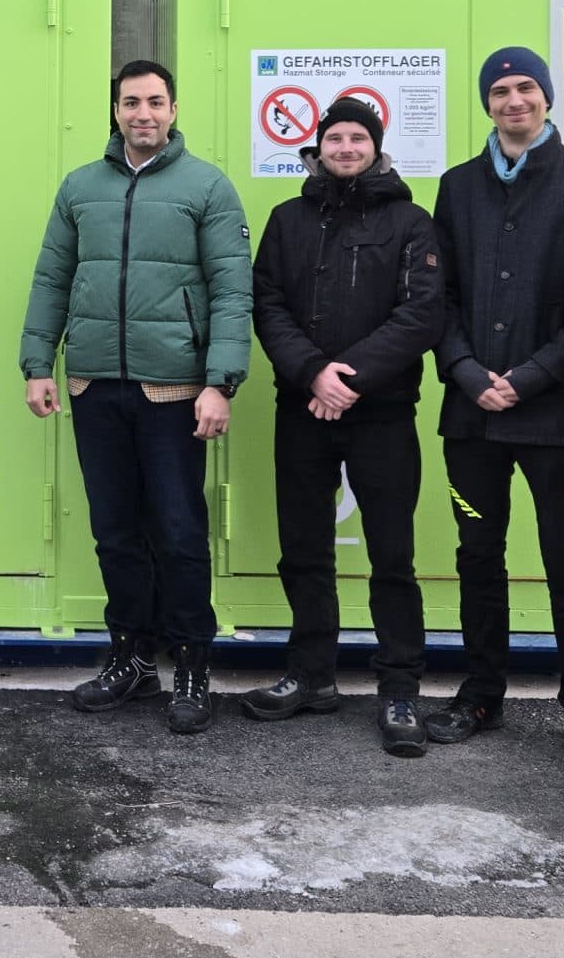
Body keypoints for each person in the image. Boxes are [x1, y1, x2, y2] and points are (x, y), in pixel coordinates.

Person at [22, 60, 251, 734]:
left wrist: (219, 382)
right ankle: (130, 657)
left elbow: (233, 292)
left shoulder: (207, 187)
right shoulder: (81, 187)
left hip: (175, 390)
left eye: (155, 101)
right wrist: (40, 363)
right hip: (95, 386)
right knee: (115, 531)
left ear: (174, 109)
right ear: (115, 110)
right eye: (130, 102)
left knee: (179, 532)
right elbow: (51, 279)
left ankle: (191, 663)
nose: (142, 113)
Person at [426, 47, 564, 773]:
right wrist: (467, 371)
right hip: (472, 413)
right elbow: (437, 298)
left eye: (526, 88)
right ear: (487, 102)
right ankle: (480, 692)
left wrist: (530, 377)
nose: (514, 101)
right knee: (478, 555)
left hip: (556, 411)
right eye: (500, 90)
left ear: (546, 99)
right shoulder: (457, 186)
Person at [240, 98, 444, 756]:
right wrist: (312, 374)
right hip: (302, 409)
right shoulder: (287, 220)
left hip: (382, 414)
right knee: (303, 551)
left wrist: (347, 378)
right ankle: (310, 675)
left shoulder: (411, 221)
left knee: (392, 557)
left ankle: (400, 690)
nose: (347, 147)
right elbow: (266, 303)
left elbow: (421, 315)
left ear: (377, 148)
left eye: (359, 138)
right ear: (318, 146)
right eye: (336, 137)